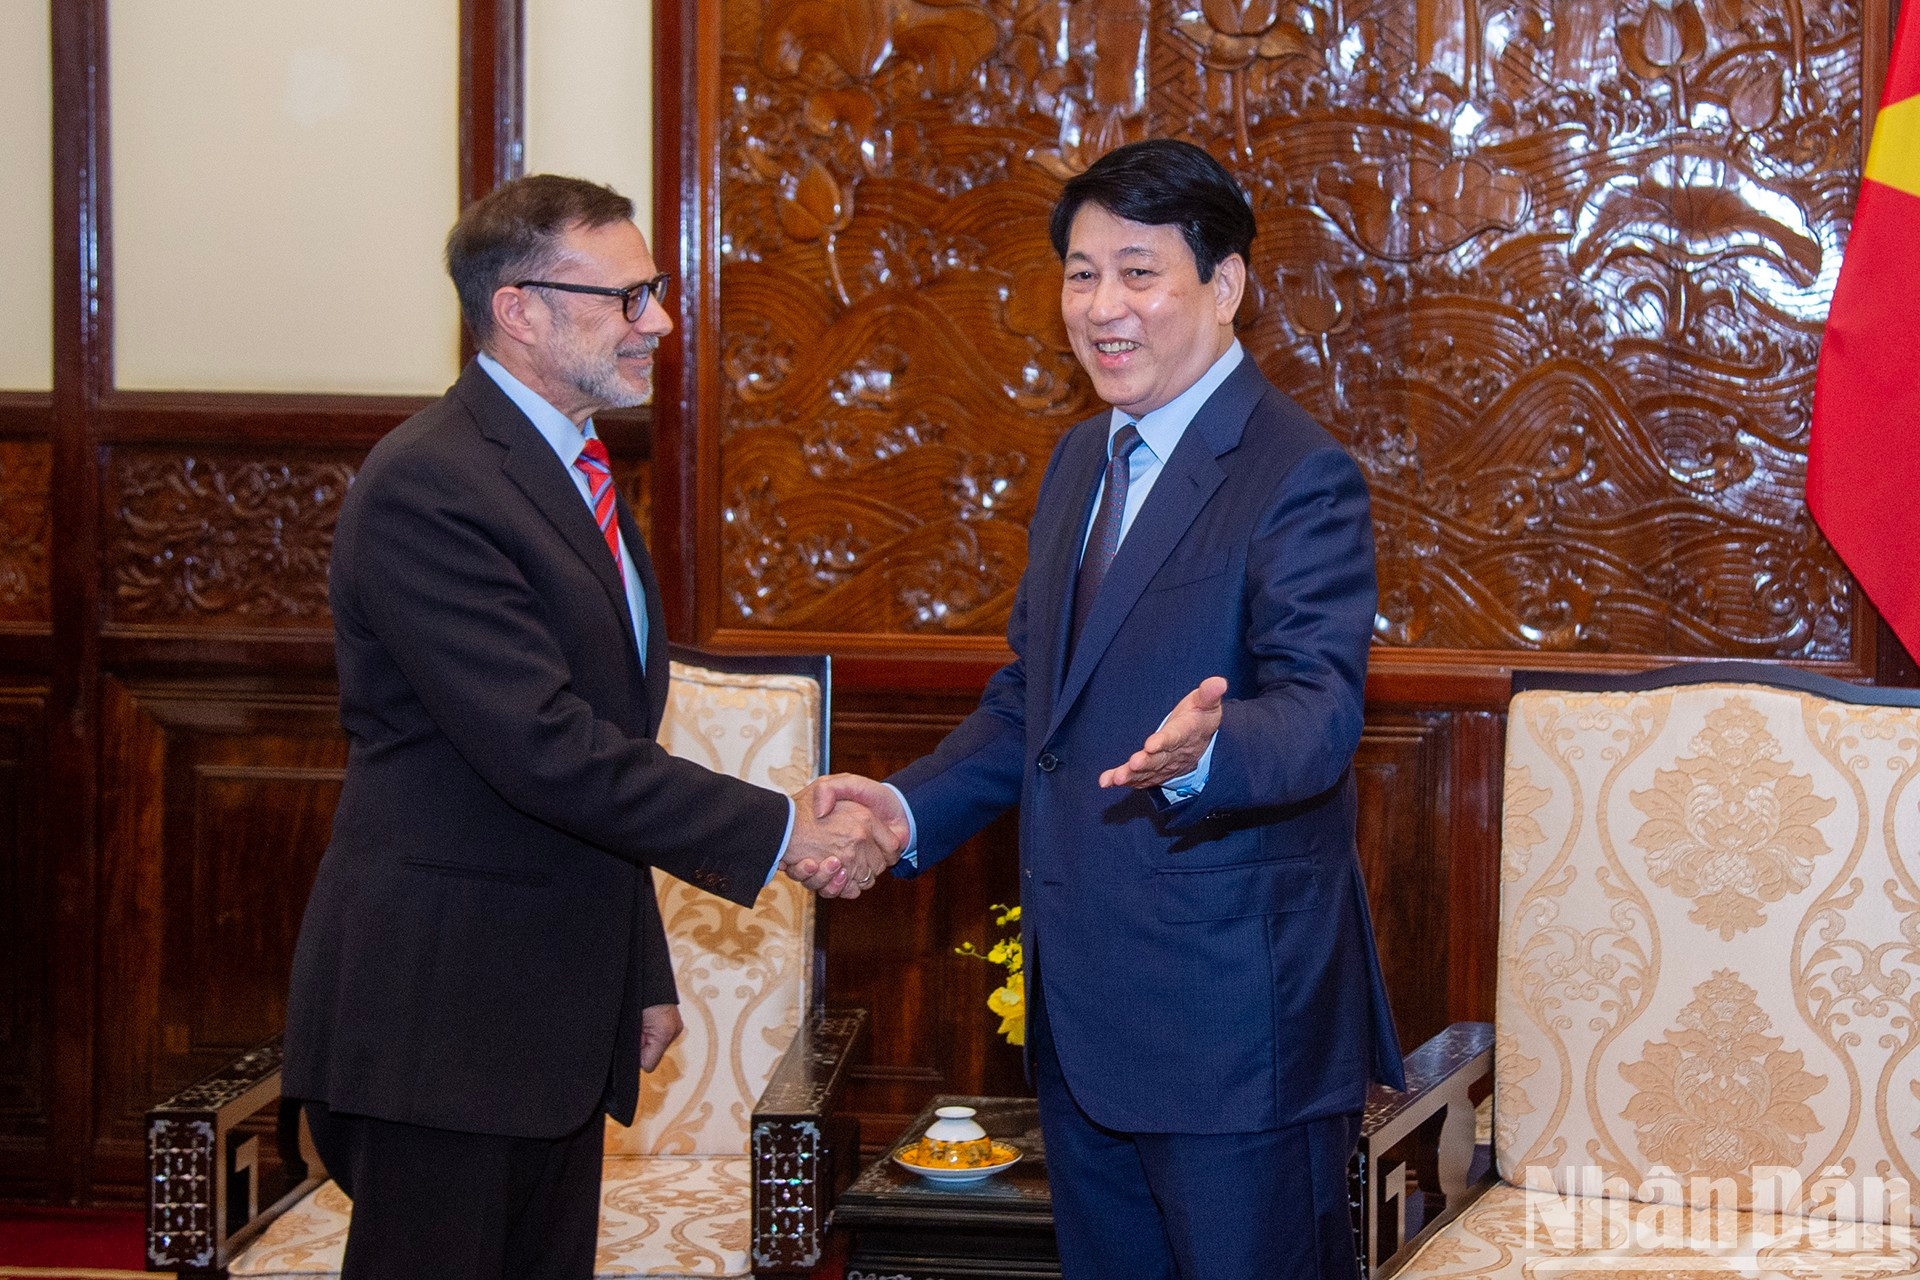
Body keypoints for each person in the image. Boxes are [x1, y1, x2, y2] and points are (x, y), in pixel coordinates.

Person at [804, 140, 1405, 1279]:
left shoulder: (1297, 472)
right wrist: (899, 808)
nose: (1101, 306)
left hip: (1235, 1031)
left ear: (1225, 286)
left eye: (1138, 271)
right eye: (1081, 273)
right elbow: (1037, 700)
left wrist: (1210, 748)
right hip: (1086, 1019)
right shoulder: (1082, 458)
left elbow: (1320, 710)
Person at [282, 174, 898, 1280]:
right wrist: (781, 828)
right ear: (519, 308)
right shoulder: (431, 484)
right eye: (628, 296)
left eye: (653, 291)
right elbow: (543, 747)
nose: (658, 320)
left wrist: (639, 971)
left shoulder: (571, 467)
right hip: (445, 1018)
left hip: (545, 1016)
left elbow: (603, 746)